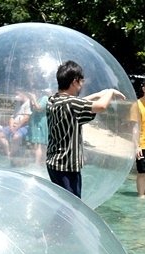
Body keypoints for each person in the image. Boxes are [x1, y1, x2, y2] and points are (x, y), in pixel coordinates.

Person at [45, 60, 125, 198]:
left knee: (65, 206)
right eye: (81, 81)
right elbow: (101, 106)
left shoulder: (53, 100)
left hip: (54, 164)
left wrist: (99, 93)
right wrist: (110, 92)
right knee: (72, 208)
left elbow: (78, 103)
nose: (82, 85)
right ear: (75, 81)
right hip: (67, 166)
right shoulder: (71, 103)